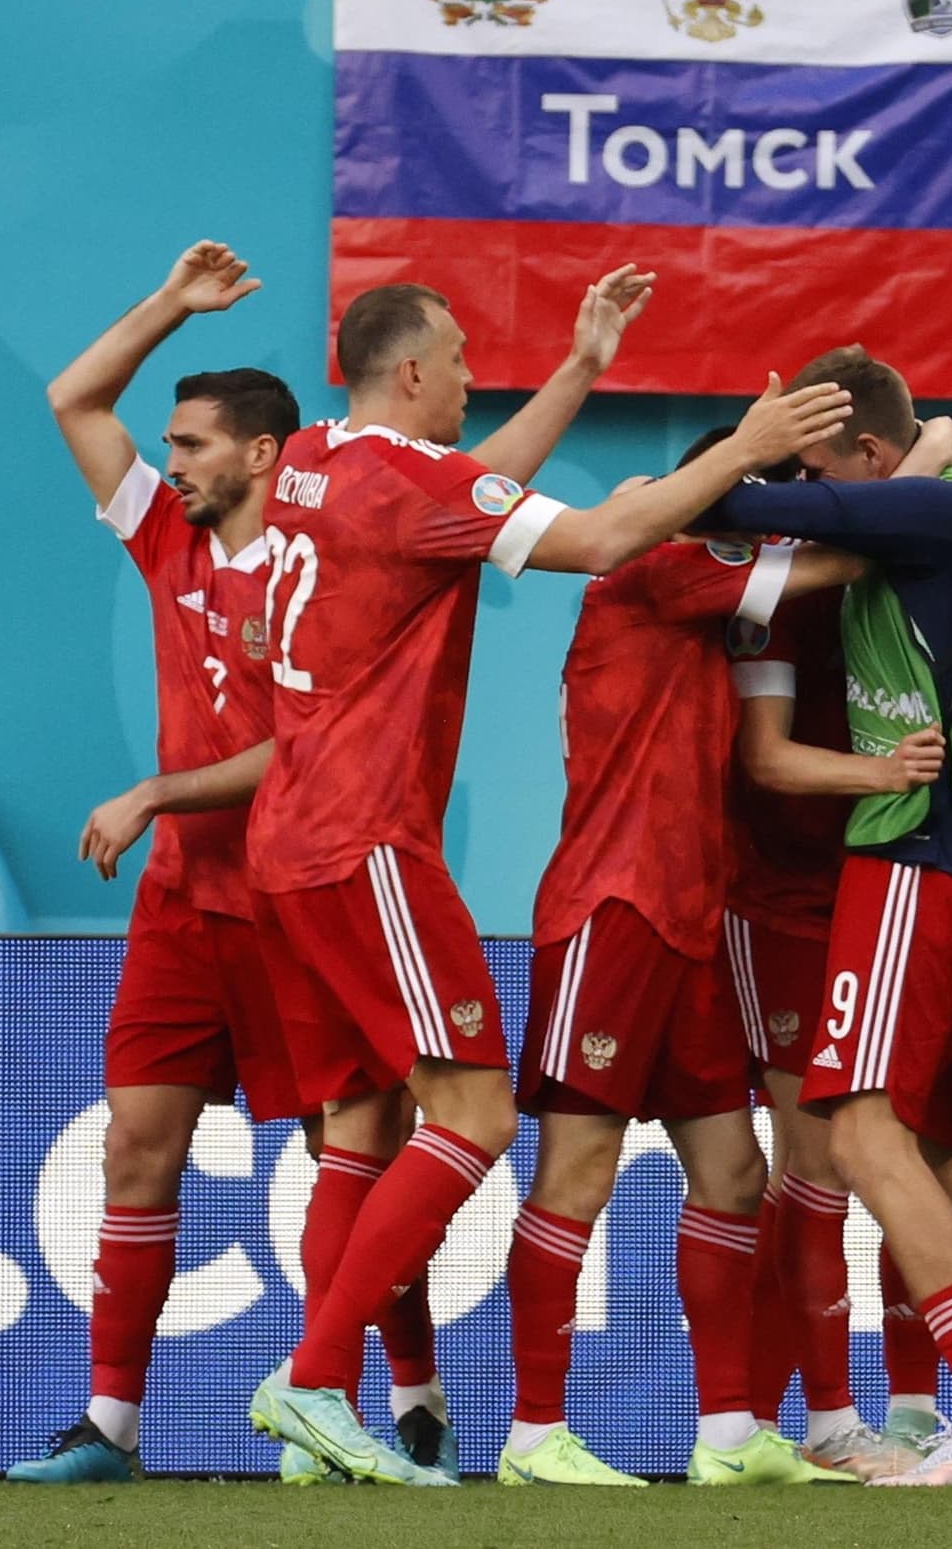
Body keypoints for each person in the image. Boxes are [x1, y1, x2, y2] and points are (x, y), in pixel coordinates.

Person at [244, 279, 854, 1485]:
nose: (476, 381)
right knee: (472, 1117)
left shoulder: (320, 457)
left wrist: (578, 368)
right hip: (366, 839)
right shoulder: (472, 504)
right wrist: (749, 444)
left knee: (384, 1127)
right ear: (411, 373)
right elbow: (593, 536)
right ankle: (331, 1380)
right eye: (463, 360)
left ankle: (721, 1429)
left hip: (309, 838)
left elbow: (469, 488)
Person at [700, 344, 952, 1488]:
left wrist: (761, 451)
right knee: (936, 1146)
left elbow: (718, 499)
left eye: (815, 466)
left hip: (914, 854)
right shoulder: (945, 507)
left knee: (862, 1135)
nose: (803, 492)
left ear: (867, 456)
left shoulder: (926, 504)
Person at [500, 432, 871, 1489]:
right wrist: (928, 477)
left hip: (690, 927)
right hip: (608, 915)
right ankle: (532, 1435)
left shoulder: (710, 610)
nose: (788, 520)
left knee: (733, 1172)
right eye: (768, 497)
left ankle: (727, 1435)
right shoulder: (654, 566)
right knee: (577, 1173)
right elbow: (833, 562)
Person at [8, 242, 308, 1484]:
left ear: (258, 454)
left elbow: (305, 746)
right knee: (140, 1147)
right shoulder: (166, 543)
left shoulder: (321, 569)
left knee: (355, 1159)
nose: (168, 460)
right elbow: (71, 397)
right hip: (185, 910)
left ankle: (406, 1407)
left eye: (190, 444)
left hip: (300, 903)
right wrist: (172, 305)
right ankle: (112, 1429)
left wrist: (151, 790)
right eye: (169, 443)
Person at [719, 423, 952, 1478]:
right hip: (772, 903)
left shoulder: (901, 576)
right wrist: (887, 775)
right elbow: (765, 762)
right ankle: (820, 1421)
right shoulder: (764, 594)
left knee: (882, 1149)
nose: (815, 497)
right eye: (799, 482)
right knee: (810, 1159)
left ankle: (832, 1416)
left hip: (880, 891)